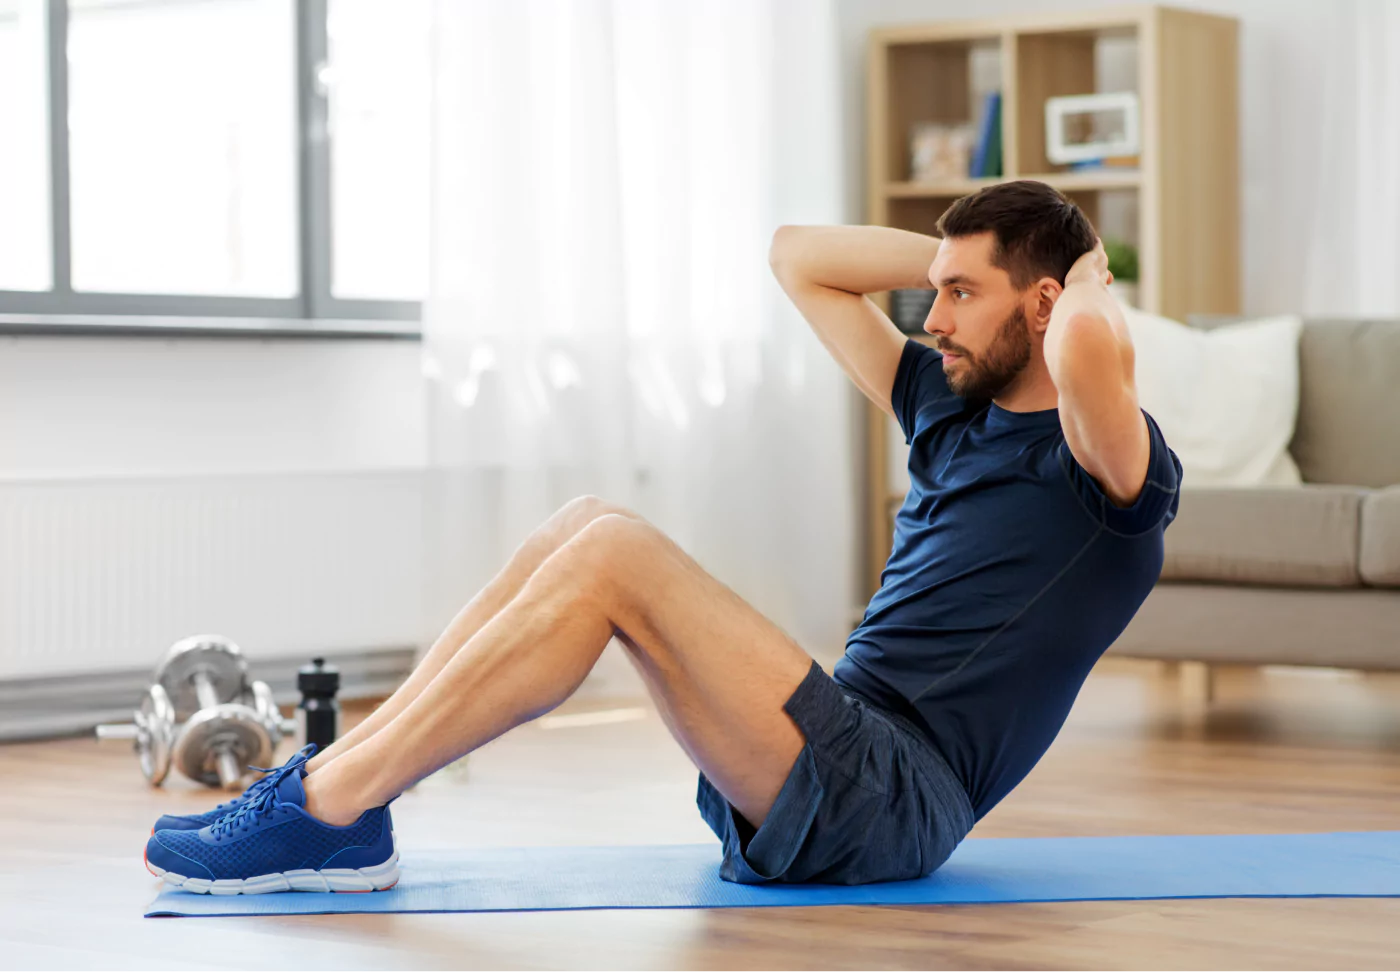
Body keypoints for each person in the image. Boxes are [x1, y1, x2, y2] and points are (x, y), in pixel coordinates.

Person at [145, 179, 1181, 894]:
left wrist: (1075, 271)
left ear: (1041, 306)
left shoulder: (1104, 467)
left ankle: (329, 814)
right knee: (583, 524)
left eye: (960, 296)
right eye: (935, 292)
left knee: (617, 554)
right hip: (817, 756)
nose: (933, 317)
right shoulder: (950, 405)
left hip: (892, 800)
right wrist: (969, 258)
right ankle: (334, 787)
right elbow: (798, 257)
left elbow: (1089, 344)